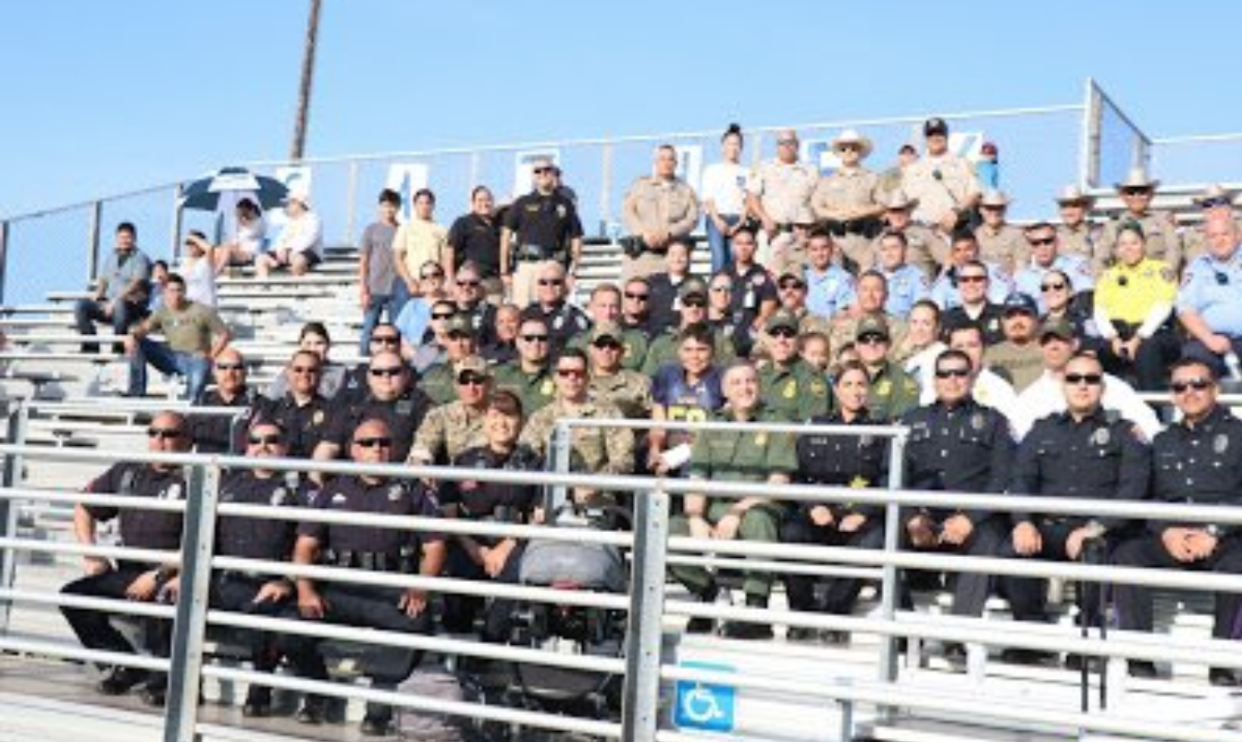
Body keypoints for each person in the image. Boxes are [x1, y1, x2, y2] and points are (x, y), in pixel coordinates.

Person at [293, 417, 447, 734]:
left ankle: (378, 706)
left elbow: (435, 546)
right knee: (288, 627)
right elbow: (305, 546)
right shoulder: (333, 488)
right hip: (340, 585)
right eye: (368, 443)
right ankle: (318, 693)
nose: (377, 449)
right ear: (353, 450)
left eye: (384, 443)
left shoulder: (411, 487)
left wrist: (420, 588)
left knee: (416, 623)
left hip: (390, 586)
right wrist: (306, 590)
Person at [1000, 352, 1151, 666]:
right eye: (1074, 379)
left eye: (1091, 379)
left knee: (1096, 552)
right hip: (1050, 528)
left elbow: (1133, 491)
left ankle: (1088, 641)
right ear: (1063, 386)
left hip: (1098, 530)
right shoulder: (1043, 429)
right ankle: (1032, 637)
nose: (1082, 386)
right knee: (1009, 550)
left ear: (1103, 388)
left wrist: (1094, 527)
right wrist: (1023, 521)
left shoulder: (1124, 432)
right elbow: (1021, 479)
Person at [1112, 359, 1242, 684]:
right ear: (1172, 395)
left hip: (1226, 538)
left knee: (1238, 567)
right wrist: (1166, 530)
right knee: (1128, 556)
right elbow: (1146, 496)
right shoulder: (1162, 440)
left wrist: (1215, 530)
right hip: (1172, 536)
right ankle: (1139, 660)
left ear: (1215, 389)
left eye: (1198, 384)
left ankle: (1222, 663)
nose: (1189, 392)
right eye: (1180, 386)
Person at [60, 411, 189, 706]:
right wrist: (91, 553)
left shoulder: (197, 478)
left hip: (175, 575)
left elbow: (207, 539)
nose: (160, 441)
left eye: (169, 435)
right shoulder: (127, 472)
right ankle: (126, 664)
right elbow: (85, 506)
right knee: (73, 597)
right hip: (130, 572)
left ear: (186, 440)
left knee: (165, 597)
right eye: (154, 433)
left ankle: (164, 677)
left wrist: (158, 575)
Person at [668, 361, 797, 639]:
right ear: (725, 390)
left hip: (759, 504)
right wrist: (695, 516)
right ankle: (708, 594)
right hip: (715, 507)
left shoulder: (777, 422)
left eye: (750, 381)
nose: (745, 388)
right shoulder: (712, 425)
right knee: (669, 531)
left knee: (759, 522)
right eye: (736, 383)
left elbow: (779, 481)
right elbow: (698, 476)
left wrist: (737, 511)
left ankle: (756, 611)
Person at [900, 350, 1014, 651]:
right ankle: (901, 632)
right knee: (879, 537)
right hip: (922, 521)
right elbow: (894, 473)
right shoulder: (912, 420)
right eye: (944, 374)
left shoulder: (993, 421)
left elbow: (1002, 479)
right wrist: (911, 516)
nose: (952, 380)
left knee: (989, 540)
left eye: (960, 373)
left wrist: (970, 518)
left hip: (971, 521)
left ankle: (958, 635)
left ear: (972, 377)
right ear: (934, 380)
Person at [210, 419, 322, 718]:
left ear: (284, 447)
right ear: (246, 448)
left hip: (276, 583)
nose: (263, 447)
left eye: (272, 440)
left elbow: (316, 545)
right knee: (171, 599)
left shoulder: (304, 491)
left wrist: (286, 581)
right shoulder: (226, 486)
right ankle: (166, 682)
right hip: (227, 578)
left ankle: (262, 691)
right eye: (256, 441)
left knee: (269, 617)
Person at [781, 361, 889, 642]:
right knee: (791, 532)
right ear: (836, 389)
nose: (855, 391)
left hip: (858, 519)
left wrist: (863, 512)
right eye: (848, 385)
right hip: (819, 514)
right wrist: (812, 505)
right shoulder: (815, 427)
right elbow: (798, 476)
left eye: (861, 384)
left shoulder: (882, 431)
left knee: (873, 540)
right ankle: (801, 615)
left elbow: (888, 480)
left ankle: (834, 615)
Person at [438, 391, 543, 639]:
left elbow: (539, 515)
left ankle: (488, 650)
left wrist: (505, 548)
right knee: (458, 580)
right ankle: (457, 648)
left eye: (509, 416)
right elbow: (449, 513)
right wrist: (477, 549)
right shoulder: (464, 461)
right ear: (484, 420)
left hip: (516, 539)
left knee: (511, 582)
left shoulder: (536, 463)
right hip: (470, 540)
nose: (501, 423)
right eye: (494, 416)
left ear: (522, 420)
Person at [1013, 318, 1162, 441]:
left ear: (1075, 344)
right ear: (1039, 347)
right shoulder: (1030, 397)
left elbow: (1150, 430)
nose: (1053, 346)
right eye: (1046, 341)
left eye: (1060, 340)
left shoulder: (1111, 386)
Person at [518, 348, 635, 503]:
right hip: (549, 494)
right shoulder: (541, 418)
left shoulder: (608, 414)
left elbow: (624, 461)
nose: (571, 378)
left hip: (596, 497)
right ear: (555, 378)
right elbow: (527, 458)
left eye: (578, 373)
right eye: (564, 373)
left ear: (587, 377)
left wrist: (594, 484)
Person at [1094, 220, 1181, 390]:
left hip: (1154, 333)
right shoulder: (1108, 276)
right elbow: (1100, 311)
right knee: (1096, 353)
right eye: (1123, 244)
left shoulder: (1161, 270)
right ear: (1116, 249)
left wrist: (1138, 338)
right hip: (1118, 333)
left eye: (1134, 242)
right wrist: (1113, 339)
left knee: (1147, 351)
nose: (1129, 248)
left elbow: (1163, 307)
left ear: (1143, 244)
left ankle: (1152, 411)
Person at [124, 274, 231, 400]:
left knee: (201, 367)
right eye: (172, 291)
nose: (176, 294)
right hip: (170, 356)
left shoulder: (201, 310)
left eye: (179, 290)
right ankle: (136, 394)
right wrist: (132, 336)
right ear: (165, 293)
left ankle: (190, 404)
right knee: (137, 343)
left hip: (194, 359)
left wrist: (210, 356)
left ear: (184, 291)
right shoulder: (162, 311)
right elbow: (145, 328)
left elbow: (225, 334)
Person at [314, 350, 431, 465]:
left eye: (394, 371)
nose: (386, 376)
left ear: (406, 375)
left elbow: (423, 448)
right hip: (353, 477)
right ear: (369, 377)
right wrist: (315, 475)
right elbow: (329, 445)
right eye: (378, 372)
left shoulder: (420, 404)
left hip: (400, 476)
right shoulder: (354, 403)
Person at [502, 158, 584, 306]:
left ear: (554, 173)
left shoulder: (565, 204)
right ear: (533, 175)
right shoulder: (522, 202)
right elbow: (506, 236)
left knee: (553, 313)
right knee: (523, 313)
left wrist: (573, 272)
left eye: (547, 170)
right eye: (538, 171)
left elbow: (576, 238)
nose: (542, 174)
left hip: (555, 266)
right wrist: (504, 271)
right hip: (527, 267)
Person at [647, 323, 725, 474]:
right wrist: (655, 448)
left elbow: (719, 434)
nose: (694, 356)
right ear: (679, 351)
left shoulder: (723, 379)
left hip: (706, 453)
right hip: (670, 448)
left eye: (701, 349)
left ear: (713, 351)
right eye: (688, 350)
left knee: (692, 469)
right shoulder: (666, 375)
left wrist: (676, 457)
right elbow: (658, 425)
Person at [620, 144, 700, 280]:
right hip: (641, 256)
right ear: (655, 162)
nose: (666, 163)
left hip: (670, 258)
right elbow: (628, 211)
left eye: (670, 159)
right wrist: (643, 233)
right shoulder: (640, 185)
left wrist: (670, 232)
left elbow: (692, 219)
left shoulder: (686, 190)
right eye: (662, 159)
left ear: (676, 163)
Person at [1176, 215, 1242, 378]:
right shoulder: (1197, 268)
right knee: (1193, 365)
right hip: (1211, 339)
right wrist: (1209, 338)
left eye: (1225, 234)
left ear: (1238, 235)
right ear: (1206, 240)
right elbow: (1185, 309)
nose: (1219, 240)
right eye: (1213, 236)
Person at [811, 129, 885, 271]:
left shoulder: (873, 177)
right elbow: (816, 206)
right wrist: (835, 214)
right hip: (836, 241)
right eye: (844, 148)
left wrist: (861, 212)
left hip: (865, 241)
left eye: (853, 147)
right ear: (838, 153)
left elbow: (883, 205)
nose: (848, 151)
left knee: (866, 284)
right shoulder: (827, 180)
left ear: (860, 151)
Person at [75, 221, 152, 353]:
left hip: (131, 306)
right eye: (122, 237)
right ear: (117, 238)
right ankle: (90, 345)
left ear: (134, 238)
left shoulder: (141, 258)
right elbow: (104, 279)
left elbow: (136, 283)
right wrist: (98, 295)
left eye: (128, 237)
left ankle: (118, 345)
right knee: (81, 306)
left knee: (121, 305)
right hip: (110, 303)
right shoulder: (112, 256)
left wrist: (115, 301)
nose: (125, 241)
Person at [746, 128, 818, 267]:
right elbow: (752, 196)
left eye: (790, 142)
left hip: (800, 237)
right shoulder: (764, 167)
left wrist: (810, 228)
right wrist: (764, 218)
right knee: (768, 278)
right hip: (772, 234)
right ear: (776, 146)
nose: (786, 146)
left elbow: (817, 201)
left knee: (799, 282)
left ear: (797, 144)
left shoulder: (811, 170)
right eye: (781, 143)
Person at [902, 117, 982, 233]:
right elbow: (903, 199)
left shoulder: (962, 164)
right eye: (931, 134)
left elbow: (975, 193)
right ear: (926, 138)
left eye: (939, 133)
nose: (935, 138)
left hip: (955, 229)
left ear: (946, 136)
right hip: (921, 230)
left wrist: (956, 211)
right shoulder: (912, 169)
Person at [409, 355, 491, 466]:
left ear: (490, 383)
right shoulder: (441, 415)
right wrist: (422, 465)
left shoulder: (503, 415)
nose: (471, 387)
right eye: (464, 381)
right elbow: (422, 448)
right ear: (456, 385)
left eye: (478, 380)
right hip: (451, 479)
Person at [1095, 168, 1182, 272]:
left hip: (1156, 281)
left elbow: (1173, 250)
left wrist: (1165, 276)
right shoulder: (1112, 226)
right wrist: (1102, 283)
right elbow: (1100, 259)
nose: (1136, 196)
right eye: (1131, 192)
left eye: (1142, 191)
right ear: (1123, 196)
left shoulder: (1164, 222)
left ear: (1151, 195)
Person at [758, 310, 832, 421]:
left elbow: (812, 432)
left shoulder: (811, 378)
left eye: (788, 334)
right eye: (775, 333)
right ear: (767, 339)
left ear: (798, 339)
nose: (781, 339)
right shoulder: (758, 375)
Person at [261, 350, 335, 458]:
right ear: (288, 372)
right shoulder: (271, 409)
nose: (305, 375)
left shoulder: (334, 412)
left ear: (320, 374)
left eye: (311, 370)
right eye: (298, 370)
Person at [358, 189, 404, 354]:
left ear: (398, 208)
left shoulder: (402, 230)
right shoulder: (371, 229)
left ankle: (395, 363)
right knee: (369, 330)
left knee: (396, 331)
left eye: (392, 206)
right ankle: (362, 364)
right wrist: (363, 289)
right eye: (385, 205)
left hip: (397, 288)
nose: (388, 209)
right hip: (375, 286)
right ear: (379, 207)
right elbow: (364, 260)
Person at [189, 347, 259, 454]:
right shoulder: (201, 403)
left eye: (237, 367)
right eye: (223, 367)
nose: (230, 373)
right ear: (213, 371)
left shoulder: (260, 404)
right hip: (206, 467)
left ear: (245, 372)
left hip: (243, 468)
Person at [1013, 222, 1094, 314]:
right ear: (1030, 246)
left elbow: (1085, 297)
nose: (1042, 247)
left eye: (1047, 241)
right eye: (1036, 243)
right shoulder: (1021, 277)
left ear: (1057, 242)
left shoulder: (1075, 265)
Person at [701, 123, 749, 274]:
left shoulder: (746, 172)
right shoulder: (712, 170)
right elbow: (708, 198)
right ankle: (715, 295)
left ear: (741, 148)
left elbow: (748, 200)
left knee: (735, 261)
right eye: (729, 144)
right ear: (722, 146)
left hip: (737, 220)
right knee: (719, 260)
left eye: (737, 144)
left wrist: (740, 222)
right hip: (716, 219)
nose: (733, 148)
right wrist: (717, 220)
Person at [853, 316, 921, 421]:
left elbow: (902, 424)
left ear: (888, 344)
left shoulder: (902, 380)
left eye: (879, 339)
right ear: (856, 346)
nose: (872, 344)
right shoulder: (844, 376)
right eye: (864, 339)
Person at [392, 188, 451, 307]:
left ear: (433, 205)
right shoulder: (406, 227)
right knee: (405, 321)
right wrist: (409, 281)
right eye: (420, 203)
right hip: (411, 281)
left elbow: (445, 258)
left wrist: (446, 280)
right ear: (415, 205)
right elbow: (398, 257)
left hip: (434, 282)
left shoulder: (441, 229)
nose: (424, 206)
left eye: (427, 203)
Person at [585, 321, 653, 420]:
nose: (606, 350)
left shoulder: (641, 383)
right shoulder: (575, 380)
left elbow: (655, 423)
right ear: (590, 349)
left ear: (622, 351)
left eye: (613, 345)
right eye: (600, 344)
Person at [929, 231, 1013, 310]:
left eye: (968, 249)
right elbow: (937, 306)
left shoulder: (995, 272)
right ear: (952, 253)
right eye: (958, 250)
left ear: (978, 249)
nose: (963, 255)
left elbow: (1001, 302)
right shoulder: (946, 277)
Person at [520, 261, 590, 355]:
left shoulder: (575, 317)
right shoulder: (526, 314)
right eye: (543, 282)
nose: (549, 286)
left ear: (565, 286)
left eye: (556, 282)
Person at [492, 316, 556, 415]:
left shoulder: (562, 376)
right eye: (528, 338)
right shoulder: (498, 374)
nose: (536, 343)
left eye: (542, 338)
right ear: (518, 342)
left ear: (549, 343)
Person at [267, 322, 348, 400]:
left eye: (319, 343)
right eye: (308, 343)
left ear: (328, 345)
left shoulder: (341, 373)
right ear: (301, 345)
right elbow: (272, 397)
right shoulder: (291, 371)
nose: (313, 349)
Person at [982, 293, 1045, 392]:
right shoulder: (989, 355)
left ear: (1036, 320)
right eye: (1010, 316)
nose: (1017, 321)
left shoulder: (1049, 351)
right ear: (1002, 321)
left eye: (1024, 314)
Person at [876, 191, 945, 280]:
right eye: (893, 211)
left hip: (920, 291)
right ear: (887, 214)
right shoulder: (879, 239)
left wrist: (937, 286)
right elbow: (866, 268)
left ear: (909, 211)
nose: (897, 215)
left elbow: (948, 261)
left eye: (901, 210)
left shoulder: (926, 234)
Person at [447, 185, 503, 295]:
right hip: (470, 282)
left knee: (492, 311)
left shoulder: (498, 225)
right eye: (480, 200)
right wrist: (450, 278)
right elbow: (449, 251)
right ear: (473, 203)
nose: (485, 203)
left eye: (488, 200)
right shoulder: (463, 222)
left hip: (494, 281)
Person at [255, 187, 323, 277]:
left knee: (298, 260)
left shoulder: (313, 219)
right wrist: (280, 251)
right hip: (287, 253)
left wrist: (290, 250)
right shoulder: (290, 221)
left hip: (307, 252)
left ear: (298, 204)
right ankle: (263, 287)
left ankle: (295, 288)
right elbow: (280, 239)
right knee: (260, 259)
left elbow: (309, 239)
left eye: (288, 204)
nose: (285, 207)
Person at [416, 314, 481, 406]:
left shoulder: (489, 372)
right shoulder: (432, 375)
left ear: (474, 340)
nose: (459, 344)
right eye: (453, 338)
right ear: (445, 341)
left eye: (465, 337)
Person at [940, 260, 1005, 346]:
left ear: (988, 283)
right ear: (958, 284)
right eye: (964, 279)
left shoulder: (1005, 315)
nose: (971, 284)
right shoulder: (944, 319)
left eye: (977, 279)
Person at [393, 262, 450, 352]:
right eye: (424, 277)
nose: (430, 279)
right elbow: (399, 332)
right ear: (420, 281)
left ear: (443, 278)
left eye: (435, 275)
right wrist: (412, 353)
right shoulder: (412, 305)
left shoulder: (452, 305)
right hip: (413, 353)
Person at [875, 230, 931, 317]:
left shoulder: (916, 277)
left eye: (894, 248)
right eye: (884, 249)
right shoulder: (871, 275)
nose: (889, 253)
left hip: (901, 326)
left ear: (905, 250)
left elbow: (921, 310)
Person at [804, 229, 857, 320]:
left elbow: (844, 313)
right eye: (814, 249)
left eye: (824, 248)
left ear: (832, 249)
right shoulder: (802, 277)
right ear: (808, 251)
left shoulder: (844, 278)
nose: (820, 253)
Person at [973, 190, 1028, 277]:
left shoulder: (1017, 235)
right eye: (989, 208)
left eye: (999, 207)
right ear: (981, 210)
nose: (994, 212)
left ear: (1005, 209)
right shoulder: (973, 236)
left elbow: (1021, 268)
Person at [645, 240, 695, 335]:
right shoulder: (653, 281)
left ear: (689, 258)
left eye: (682, 255)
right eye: (673, 254)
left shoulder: (696, 284)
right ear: (666, 258)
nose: (677, 259)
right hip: (654, 336)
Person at [1052, 186, 1100, 273]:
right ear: (1059, 211)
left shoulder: (1096, 234)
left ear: (1084, 209)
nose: (1069, 211)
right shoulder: (1051, 236)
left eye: (1075, 206)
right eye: (1065, 206)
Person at [213, 197, 267, 269]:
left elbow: (253, 232)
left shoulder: (260, 223)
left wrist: (239, 220)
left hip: (250, 254)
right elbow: (235, 242)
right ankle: (212, 272)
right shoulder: (241, 226)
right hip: (238, 252)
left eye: (241, 212)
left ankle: (216, 272)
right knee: (217, 250)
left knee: (226, 250)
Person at [180, 230, 219, 307]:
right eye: (188, 244)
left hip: (206, 306)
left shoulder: (205, 261)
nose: (190, 247)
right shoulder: (183, 264)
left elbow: (209, 248)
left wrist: (192, 237)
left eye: (193, 244)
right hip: (188, 307)